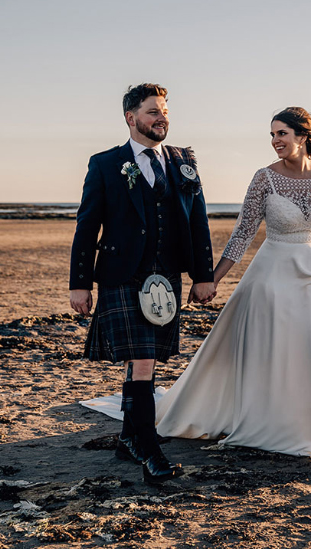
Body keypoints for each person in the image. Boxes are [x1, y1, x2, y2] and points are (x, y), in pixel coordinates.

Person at [83, 106, 311, 464]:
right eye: (272, 135)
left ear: (302, 136)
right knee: (296, 349)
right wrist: (211, 280)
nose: (275, 141)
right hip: (275, 273)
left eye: (281, 134)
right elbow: (243, 233)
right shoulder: (264, 178)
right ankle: (289, 422)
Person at [70, 83, 216, 483]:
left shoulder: (184, 161)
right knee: (144, 358)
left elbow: (197, 221)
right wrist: (79, 283)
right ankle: (148, 448)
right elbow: (87, 227)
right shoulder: (105, 164)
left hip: (166, 277)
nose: (161, 118)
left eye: (164, 111)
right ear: (131, 118)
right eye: (153, 112)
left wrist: (203, 275)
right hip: (122, 274)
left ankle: (129, 439)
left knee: (145, 358)